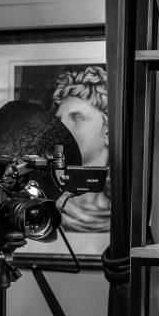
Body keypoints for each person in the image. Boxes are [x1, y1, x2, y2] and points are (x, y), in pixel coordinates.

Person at [51, 65, 111, 233]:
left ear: (108, 130)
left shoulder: (123, 207)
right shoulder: (45, 202)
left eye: (77, 118)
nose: (61, 129)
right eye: (59, 120)